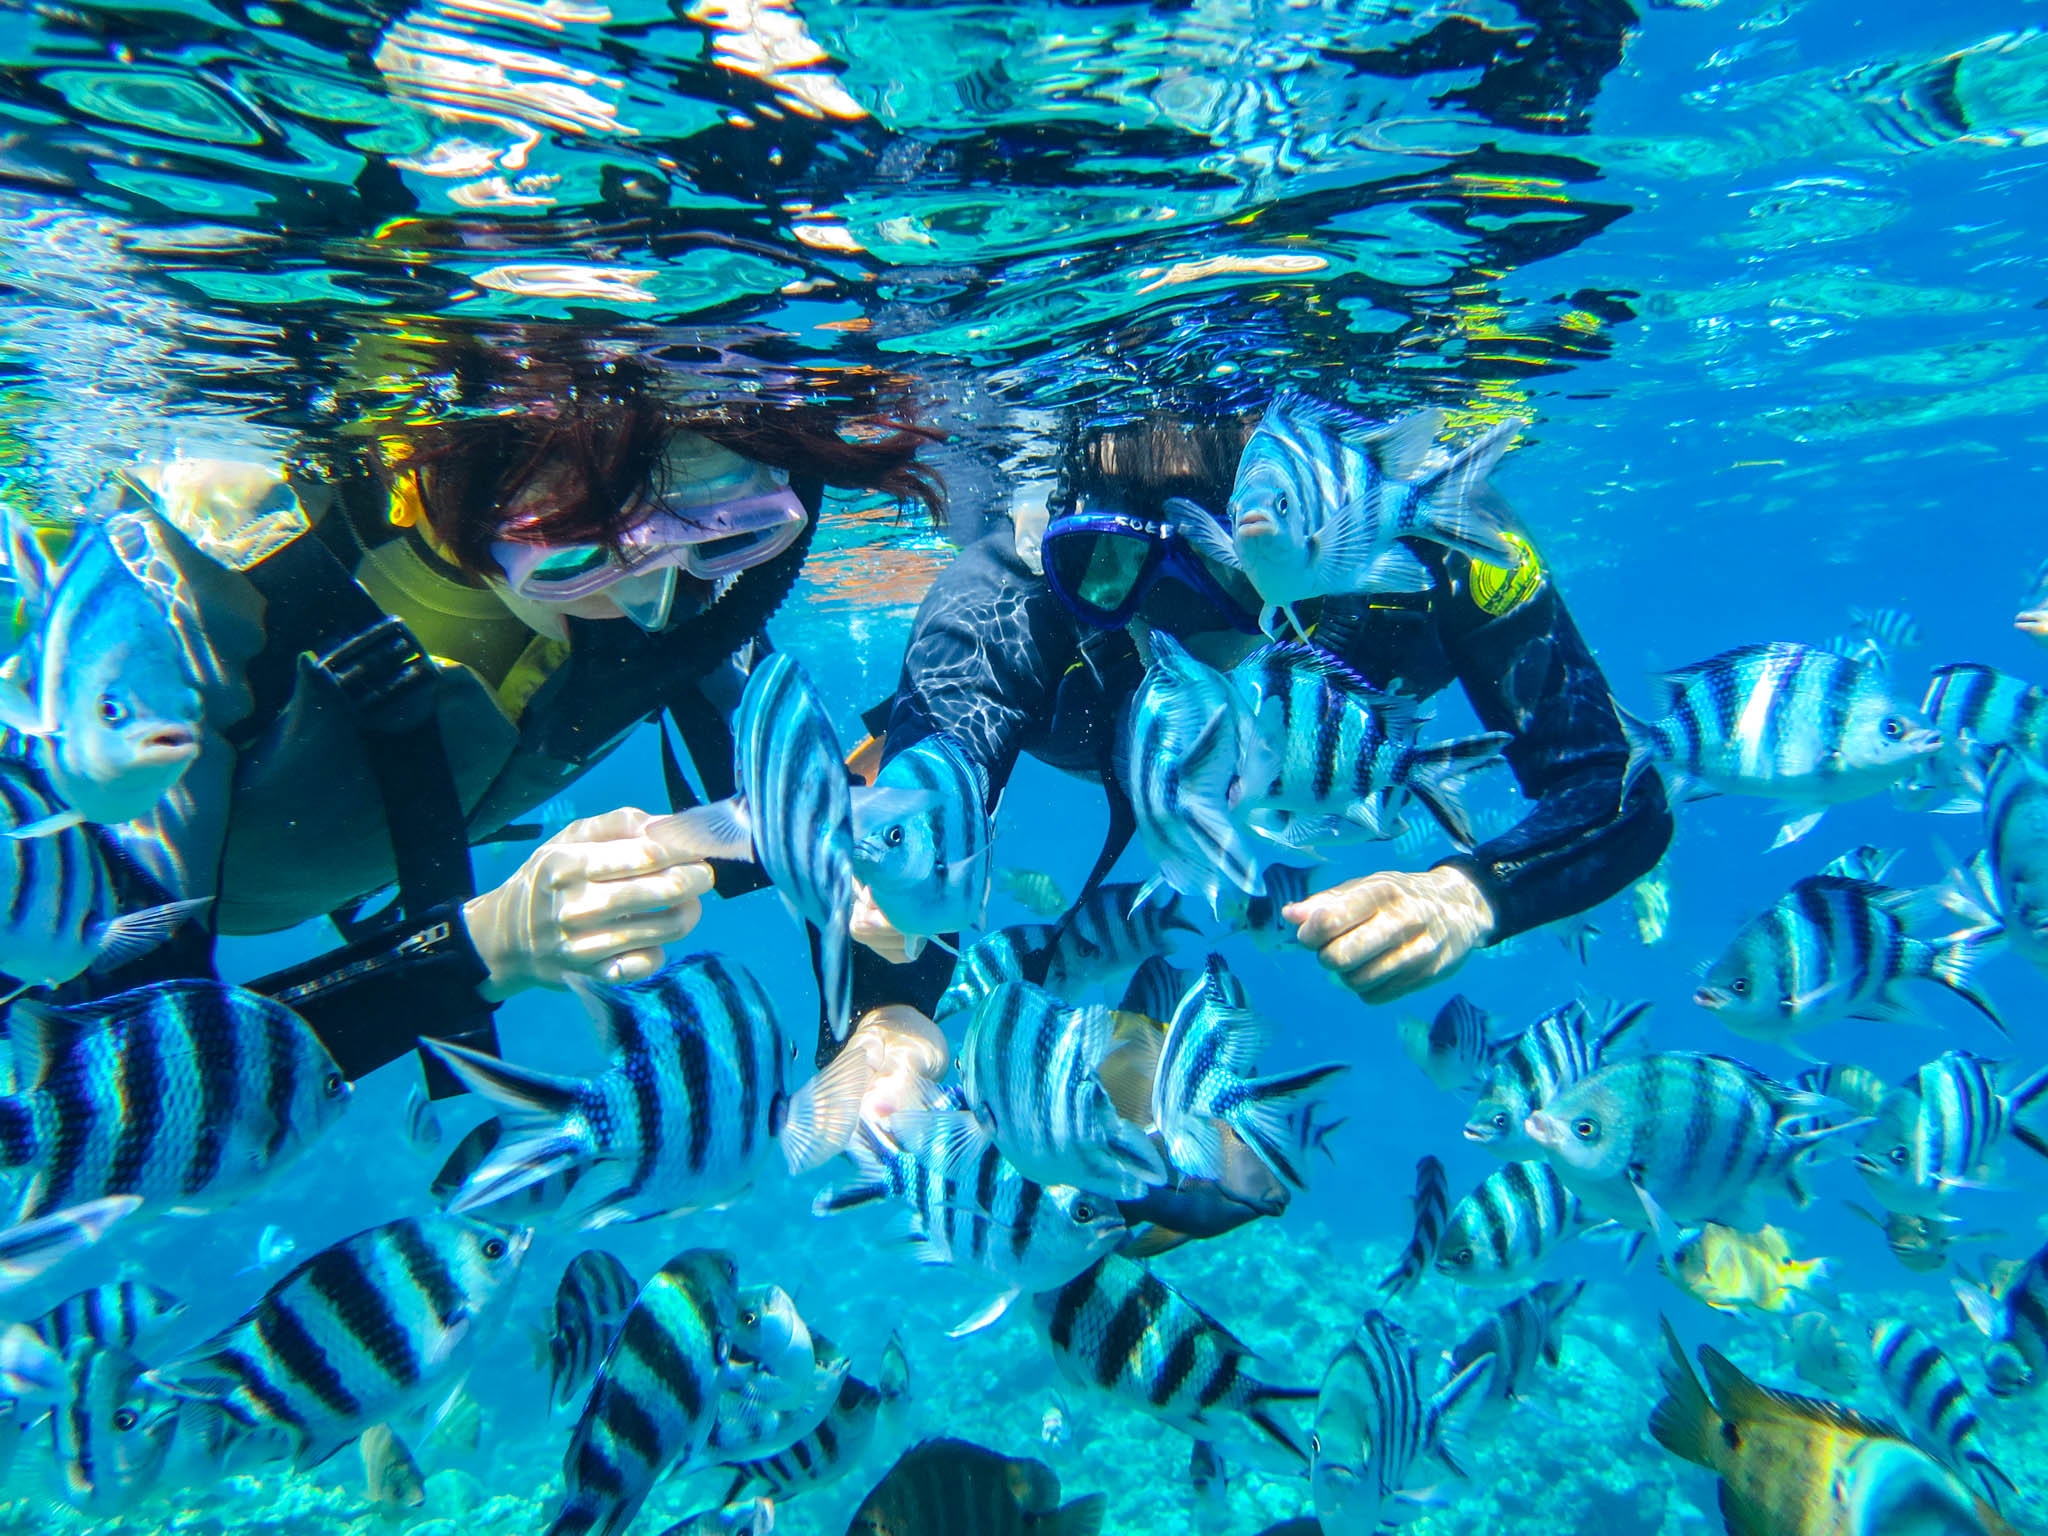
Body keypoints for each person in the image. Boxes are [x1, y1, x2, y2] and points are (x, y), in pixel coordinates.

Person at [34, 336, 940, 1091]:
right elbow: (94, 1080)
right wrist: (491, 949)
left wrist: (885, 1014)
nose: (655, 603)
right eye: (576, 560)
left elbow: (819, 824)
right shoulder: (188, 602)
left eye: (731, 533)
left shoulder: (693, 595)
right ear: (433, 470)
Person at [852, 408, 1672, 1006]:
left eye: (1240, 569)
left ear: (1320, 537)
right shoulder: (1014, 594)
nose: (1180, 628)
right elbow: (917, 815)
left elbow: (1613, 782)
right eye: (1115, 565)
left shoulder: (1430, 531)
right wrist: (890, 1016)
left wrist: (1469, 895)